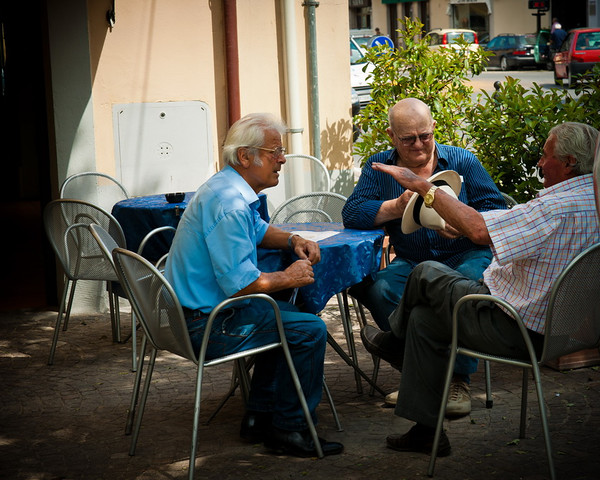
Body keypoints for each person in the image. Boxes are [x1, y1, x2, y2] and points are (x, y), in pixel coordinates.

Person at [360, 121, 600, 456]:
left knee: (426, 274)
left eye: (546, 157)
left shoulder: (555, 208)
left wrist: (422, 186)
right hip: (565, 331)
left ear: (570, 161)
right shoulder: (593, 202)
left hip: (516, 327)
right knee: (424, 321)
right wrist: (462, 229)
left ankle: (392, 341)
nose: (540, 164)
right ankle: (426, 433)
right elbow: (502, 230)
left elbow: (479, 229)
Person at [164, 113, 343, 458]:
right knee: (308, 329)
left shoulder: (227, 187)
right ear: (245, 157)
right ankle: (289, 429)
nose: (283, 159)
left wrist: (293, 238)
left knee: (289, 315)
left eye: (282, 150)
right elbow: (241, 285)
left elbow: (259, 230)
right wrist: (288, 277)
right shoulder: (230, 203)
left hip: (189, 316)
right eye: (274, 151)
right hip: (206, 326)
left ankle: (260, 416)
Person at [342, 98, 507, 415]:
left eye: (424, 136)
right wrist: (396, 206)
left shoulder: (462, 160)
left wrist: (462, 225)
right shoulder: (380, 167)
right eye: (408, 139)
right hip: (412, 260)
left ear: (433, 128)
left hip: (464, 254)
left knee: (464, 288)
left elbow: (496, 211)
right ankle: (429, 375)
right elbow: (351, 213)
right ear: (392, 136)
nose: (418, 144)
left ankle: (456, 379)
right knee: (379, 288)